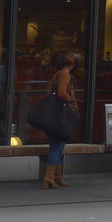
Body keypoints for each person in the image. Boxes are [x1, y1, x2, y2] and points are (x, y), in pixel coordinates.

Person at [43, 51, 78, 189]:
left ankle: (56, 176)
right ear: (69, 63)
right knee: (57, 146)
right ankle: (49, 177)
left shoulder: (56, 75)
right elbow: (61, 93)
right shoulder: (64, 74)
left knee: (58, 145)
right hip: (60, 115)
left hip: (54, 115)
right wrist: (71, 100)